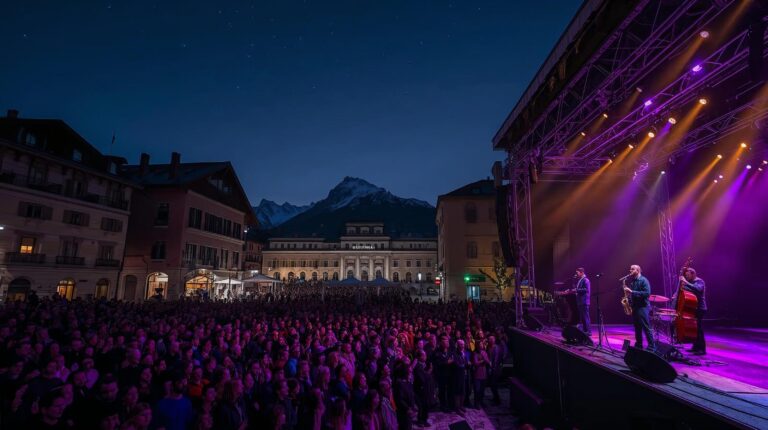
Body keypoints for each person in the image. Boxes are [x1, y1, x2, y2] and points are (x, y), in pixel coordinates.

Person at [623, 265, 655, 350]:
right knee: (637, 328)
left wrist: (632, 291)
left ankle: (652, 346)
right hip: (635, 307)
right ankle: (639, 345)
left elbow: (647, 293)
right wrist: (628, 299)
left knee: (646, 327)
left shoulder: (644, 280)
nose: (630, 270)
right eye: (630, 269)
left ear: (638, 270)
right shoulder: (633, 281)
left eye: (632, 269)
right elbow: (633, 295)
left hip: (643, 307)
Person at [680, 267, 707, 355]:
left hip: (700, 308)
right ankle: (695, 347)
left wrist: (686, 282)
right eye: (686, 276)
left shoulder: (700, 281)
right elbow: (686, 291)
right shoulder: (690, 282)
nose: (686, 277)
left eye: (687, 275)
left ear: (693, 274)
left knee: (699, 329)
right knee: (695, 329)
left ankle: (702, 349)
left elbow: (698, 289)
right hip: (692, 307)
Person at [571, 268, 591, 336]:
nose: (576, 274)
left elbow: (586, 289)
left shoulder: (586, 280)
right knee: (582, 317)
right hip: (580, 301)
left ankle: (588, 331)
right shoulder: (580, 280)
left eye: (577, 273)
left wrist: (576, 290)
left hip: (584, 301)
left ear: (582, 272)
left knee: (586, 317)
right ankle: (585, 331)